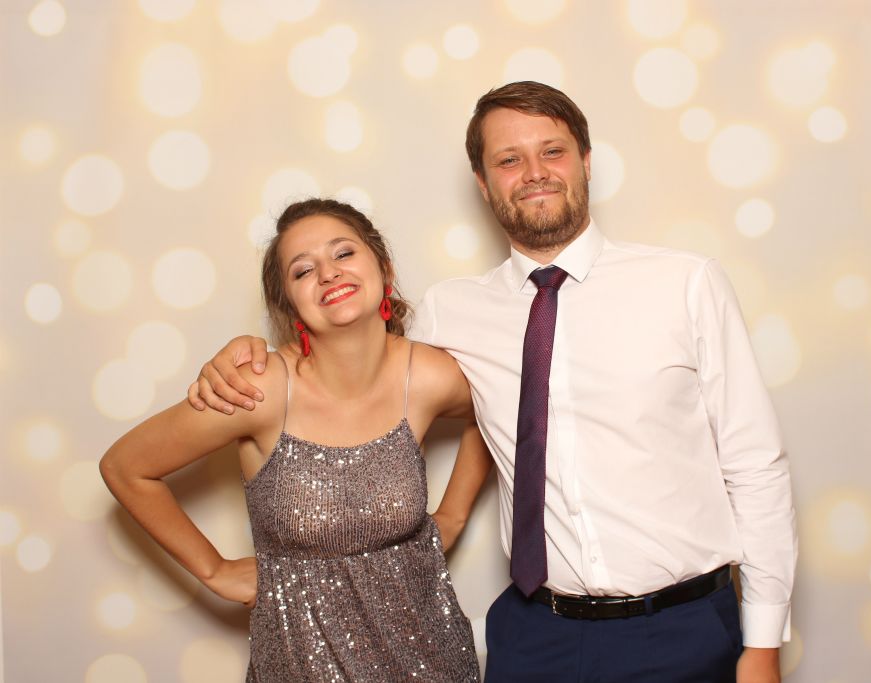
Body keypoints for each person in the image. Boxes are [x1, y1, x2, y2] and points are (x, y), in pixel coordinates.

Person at [190, 82, 797, 683]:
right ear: (483, 184)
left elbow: (755, 465)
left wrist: (764, 642)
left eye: (552, 151)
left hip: (681, 627)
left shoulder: (685, 285)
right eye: (509, 160)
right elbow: (356, 367)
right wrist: (253, 354)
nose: (534, 173)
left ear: (586, 162)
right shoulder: (452, 313)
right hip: (535, 636)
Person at [102, 199, 487, 682]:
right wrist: (215, 571)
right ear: (288, 304)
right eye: (303, 270)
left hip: (431, 658)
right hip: (299, 664)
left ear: (384, 268)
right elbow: (126, 467)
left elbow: (499, 410)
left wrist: (452, 516)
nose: (328, 273)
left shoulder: (425, 375)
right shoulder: (259, 390)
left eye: (343, 253)